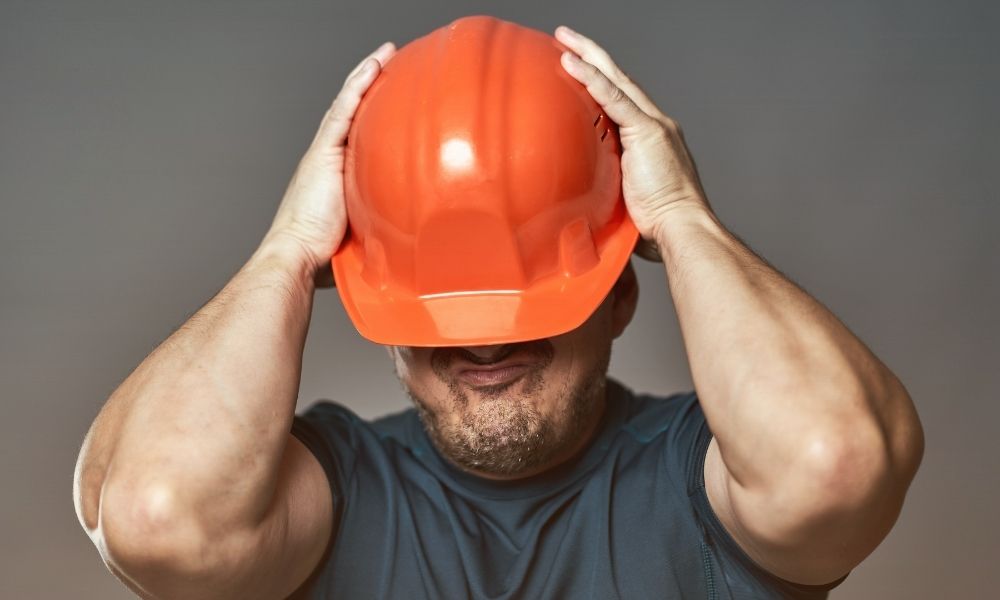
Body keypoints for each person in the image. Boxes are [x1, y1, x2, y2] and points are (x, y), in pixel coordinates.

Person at [73, 16, 924, 600]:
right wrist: (287, 250)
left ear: (621, 295)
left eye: (527, 307)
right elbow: (156, 516)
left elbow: (834, 464)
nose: (483, 347)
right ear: (380, 321)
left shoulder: (698, 479)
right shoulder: (331, 492)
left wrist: (681, 220)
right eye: (442, 311)